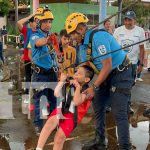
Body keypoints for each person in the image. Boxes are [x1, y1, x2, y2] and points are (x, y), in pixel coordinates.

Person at [65, 12, 134, 150]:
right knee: (98, 103)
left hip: (122, 73)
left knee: (118, 111)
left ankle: (125, 147)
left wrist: (94, 87)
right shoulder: (82, 47)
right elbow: (88, 69)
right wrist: (78, 78)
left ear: (80, 29)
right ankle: (100, 141)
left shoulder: (98, 37)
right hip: (106, 74)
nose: (71, 38)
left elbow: (107, 65)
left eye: (72, 33)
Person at [36, 65, 94, 150]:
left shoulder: (87, 91)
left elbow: (77, 101)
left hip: (72, 116)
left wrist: (78, 87)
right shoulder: (69, 83)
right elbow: (56, 93)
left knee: (59, 138)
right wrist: (62, 81)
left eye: (79, 73)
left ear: (86, 80)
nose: (76, 74)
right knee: (49, 124)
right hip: (60, 109)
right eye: (76, 72)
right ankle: (38, 148)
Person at [29, 7, 58, 135]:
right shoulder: (34, 36)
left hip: (52, 73)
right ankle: (38, 125)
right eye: (45, 21)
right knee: (39, 101)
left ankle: (52, 125)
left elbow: (56, 55)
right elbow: (39, 43)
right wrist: (48, 40)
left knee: (54, 100)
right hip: (40, 75)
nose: (48, 24)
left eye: (50, 21)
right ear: (39, 23)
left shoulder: (52, 36)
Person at [114, 11, 145, 81]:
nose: (127, 22)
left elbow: (142, 49)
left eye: (130, 20)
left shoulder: (140, 31)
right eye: (125, 20)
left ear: (135, 20)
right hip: (119, 62)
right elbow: (113, 47)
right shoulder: (118, 30)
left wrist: (141, 64)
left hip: (132, 63)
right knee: (117, 83)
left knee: (130, 83)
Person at [17, 13, 37, 100]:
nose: (37, 23)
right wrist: (30, 16)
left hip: (37, 58)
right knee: (28, 76)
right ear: (31, 23)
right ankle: (27, 94)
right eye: (35, 21)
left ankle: (36, 93)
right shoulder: (27, 31)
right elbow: (18, 23)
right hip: (27, 57)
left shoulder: (40, 32)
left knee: (36, 76)